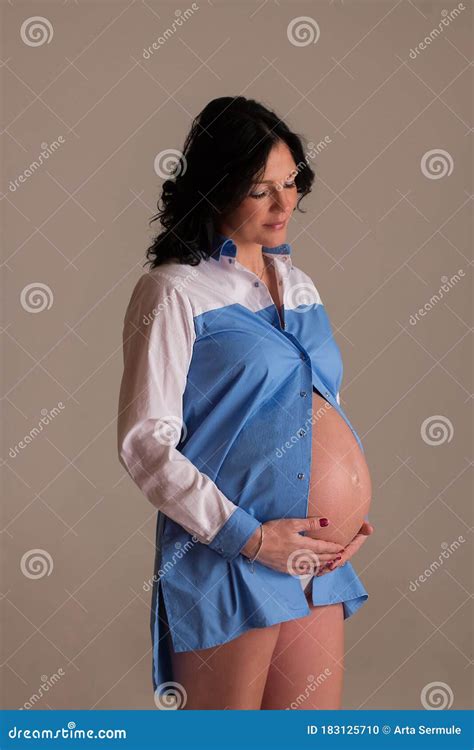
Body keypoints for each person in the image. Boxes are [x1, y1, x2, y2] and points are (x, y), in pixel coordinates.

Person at [117, 96, 374, 710]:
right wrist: (252, 540)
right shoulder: (174, 291)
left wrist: (345, 510)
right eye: (262, 191)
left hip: (318, 561)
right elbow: (146, 445)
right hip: (231, 558)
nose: (286, 205)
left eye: (291, 184)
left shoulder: (299, 284)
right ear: (216, 187)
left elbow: (317, 407)